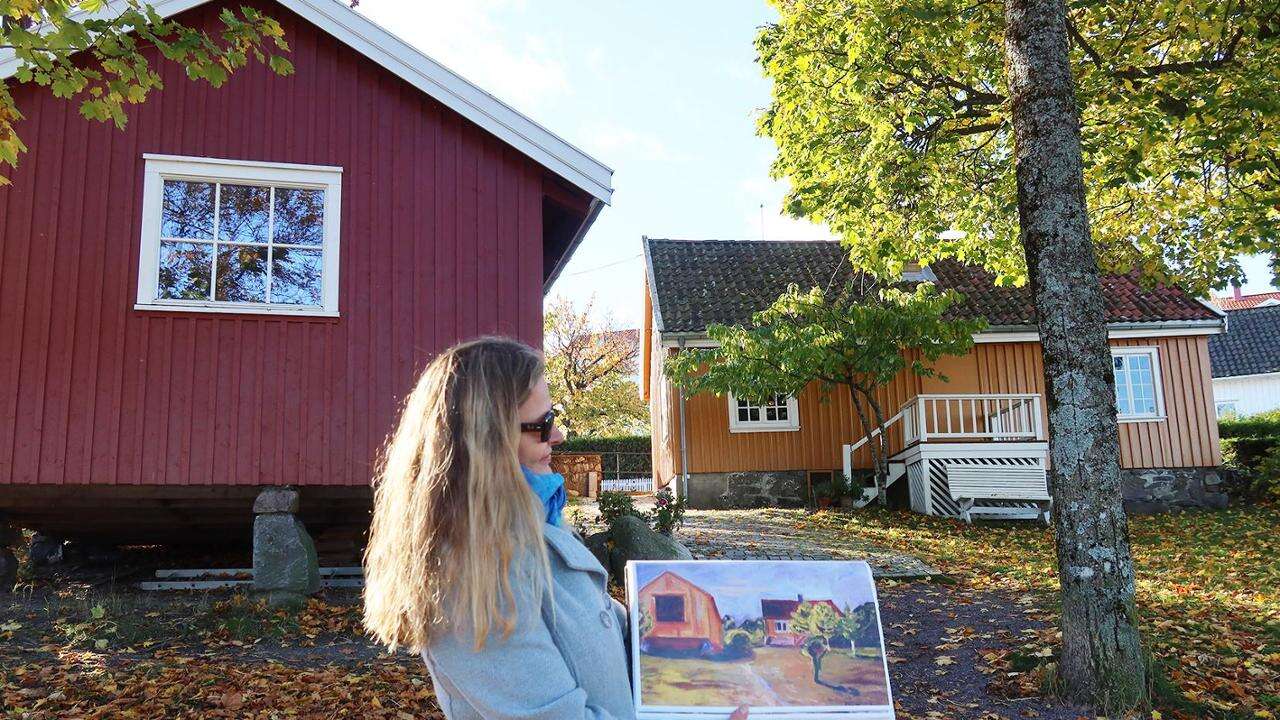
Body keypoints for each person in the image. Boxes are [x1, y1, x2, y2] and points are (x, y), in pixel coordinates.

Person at [361, 336, 636, 720]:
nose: (558, 436)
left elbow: (609, 639)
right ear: (488, 443)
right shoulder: (468, 573)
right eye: (543, 425)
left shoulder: (539, 524)